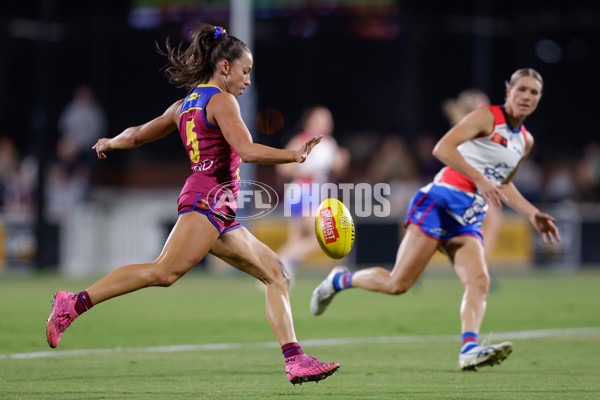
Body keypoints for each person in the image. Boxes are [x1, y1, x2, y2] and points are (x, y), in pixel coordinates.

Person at [45, 25, 339, 385]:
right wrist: (294, 155)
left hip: (217, 205)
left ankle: (295, 360)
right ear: (225, 67)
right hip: (207, 198)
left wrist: (112, 142)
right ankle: (73, 303)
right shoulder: (222, 100)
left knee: (277, 273)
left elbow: (137, 134)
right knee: (164, 272)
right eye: (245, 71)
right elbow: (246, 150)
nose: (248, 80)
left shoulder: (184, 104)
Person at [310, 68, 560, 371]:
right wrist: (479, 178)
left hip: (467, 218)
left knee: (479, 281)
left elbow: (503, 182)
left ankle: (469, 349)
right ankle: (339, 280)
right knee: (397, 284)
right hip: (440, 203)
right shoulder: (486, 117)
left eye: (534, 92)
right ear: (509, 90)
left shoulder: (525, 140)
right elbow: (442, 148)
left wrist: (532, 212)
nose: (527, 96)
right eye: (522, 89)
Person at [275, 106, 350, 279]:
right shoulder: (302, 140)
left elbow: (333, 171)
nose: (327, 123)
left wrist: (341, 163)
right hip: (303, 192)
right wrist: (303, 170)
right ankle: (283, 262)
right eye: (322, 118)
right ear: (310, 122)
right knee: (324, 235)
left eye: (328, 119)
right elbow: (282, 168)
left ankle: (275, 272)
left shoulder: (329, 143)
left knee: (295, 240)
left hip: (316, 194)